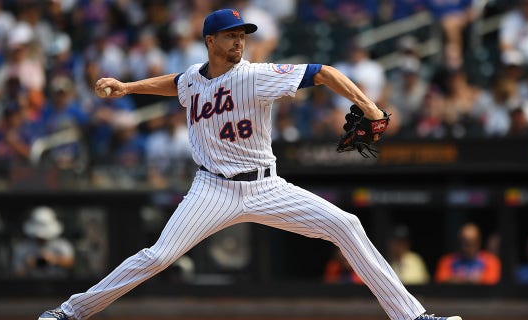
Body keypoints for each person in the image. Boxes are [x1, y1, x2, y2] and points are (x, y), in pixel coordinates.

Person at [38, 9, 462, 320]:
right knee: (158, 256)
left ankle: (414, 318)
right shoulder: (192, 77)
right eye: (230, 35)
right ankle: (71, 312)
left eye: (242, 33)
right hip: (212, 190)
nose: (239, 40)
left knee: (346, 225)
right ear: (210, 41)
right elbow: (178, 84)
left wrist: (368, 106)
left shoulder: (255, 74)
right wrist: (127, 86)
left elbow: (325, 72)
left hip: (266, 186)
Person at [12, 206, 75, 278]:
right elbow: (17, 273)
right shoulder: (23, 248)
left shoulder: (62, 244)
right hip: (31, 286)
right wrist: (29, 264)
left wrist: (54, 259)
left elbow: (71, 263)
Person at [434, 222, 501, 285]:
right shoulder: (447, 261)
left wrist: (458, 279)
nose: (466, 247)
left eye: (471, 242)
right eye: (464, 241)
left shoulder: (491, 261)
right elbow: (440, 282)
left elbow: (493, 282)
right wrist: (472, 279)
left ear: (479, 242)